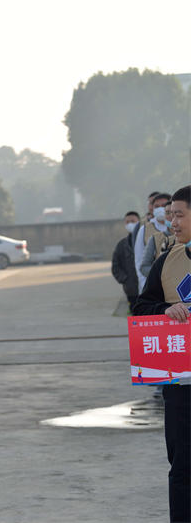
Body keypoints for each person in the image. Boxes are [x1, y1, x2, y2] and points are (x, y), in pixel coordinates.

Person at [133, 185, 190, 523]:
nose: (173, 222)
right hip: (181, 383)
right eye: (171, 215)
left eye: (179, 215)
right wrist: (165, 310)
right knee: (183, 466)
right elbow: (141, 307)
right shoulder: (168, 261)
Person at [134, 192, 172, 291]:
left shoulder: (181, 229)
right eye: (157, 206)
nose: (160, 209)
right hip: (155, 285)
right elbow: (140, 261)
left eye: (163, 205)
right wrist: (144, 285)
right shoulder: (145, 230)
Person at [111, 211, 141, 313]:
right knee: (135, 314)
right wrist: (125, 279)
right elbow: (115, 266)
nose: (130, 224)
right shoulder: (122, 245)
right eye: (127, 222)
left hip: (147, 288)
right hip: (131, 290)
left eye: (133, 221)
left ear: (139, 222)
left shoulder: (147, 240)